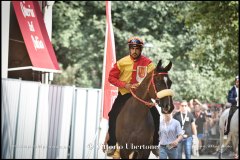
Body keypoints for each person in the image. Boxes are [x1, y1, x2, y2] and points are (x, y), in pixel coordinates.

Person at [106, 36, 160, 157]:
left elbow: (153, 79)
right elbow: (111, 78)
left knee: (156, 115)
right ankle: (112, 144)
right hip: (125, 94)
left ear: (141, 49)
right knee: (112, 114)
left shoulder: (149, 64)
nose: (134, 51)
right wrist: (125, 85)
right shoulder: (121, 62)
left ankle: (155, 144)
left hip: (143, 97)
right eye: (132, 48)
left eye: (137, 48)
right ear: (129, 49)